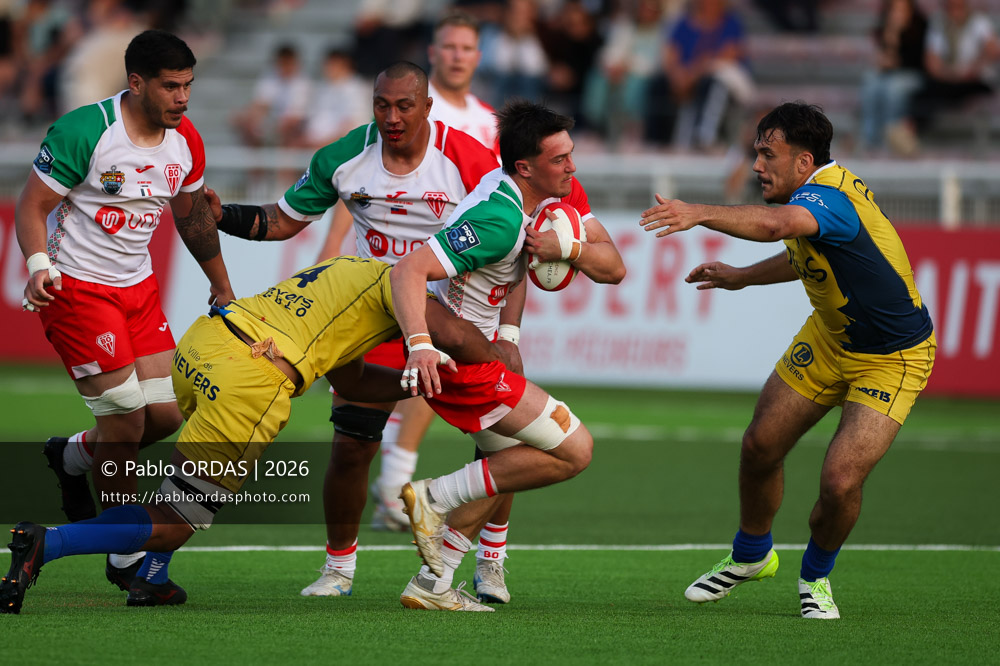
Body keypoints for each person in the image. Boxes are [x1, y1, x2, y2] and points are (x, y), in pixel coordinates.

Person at [0, 255, 505, 615]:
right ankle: (49, 543)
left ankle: (149, 579)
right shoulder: (410, 286)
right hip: (250, 380)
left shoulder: (354, 273)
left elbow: (351, 382)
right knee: (176, 519)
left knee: (185, 487)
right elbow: (460, 338)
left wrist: (419, 384)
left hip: (205, 344)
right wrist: (505, 380)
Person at [206, 61, 502, 599]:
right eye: (382, 105)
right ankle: (338, 569)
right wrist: (221, 215)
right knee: (350, 447)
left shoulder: (467, 158)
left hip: (453, 317)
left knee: (498, 439)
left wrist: (515, 320)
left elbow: (510, 228)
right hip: (372, 316)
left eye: (405, 106)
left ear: (427, 107)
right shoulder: (344, 156)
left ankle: (490, 558)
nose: (392, 117)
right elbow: (283, 219)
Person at [639, 102, 936, 619]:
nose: (757, 165)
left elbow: (779, 227)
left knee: (840, 483)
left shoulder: (831, 196)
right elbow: (803, 250)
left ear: (804, 162)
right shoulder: (814, 199)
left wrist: (700, 212)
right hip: (829, 339)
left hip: (892, 358)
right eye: (756, 153)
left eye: (767, 154)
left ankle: (816, 578)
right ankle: (751, 556)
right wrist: (743, 276)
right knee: (760, 445)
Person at [15, 29, 234, 606]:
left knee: (165, 414)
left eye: (188, 86)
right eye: (171, 86)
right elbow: (31, 204)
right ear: (135, 83)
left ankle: (70, 456)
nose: (183, 98)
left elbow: (190, 217)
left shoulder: (186, 142)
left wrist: (222, 285)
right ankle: (125, 556)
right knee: (127, 426)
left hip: (137, 291)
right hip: (76, 290)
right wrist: (38, 265)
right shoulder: (86, 130)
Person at [392, 99, 625, 612]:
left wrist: (512, 333)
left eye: (570, 155)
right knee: (574, 450)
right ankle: (432, 497)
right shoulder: (500, 217)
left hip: (482, 356)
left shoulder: (523, 201)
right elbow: (407, 271)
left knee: (506, 466)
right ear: (526, 167)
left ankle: (433, 584)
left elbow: (607, 267)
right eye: (561, 159)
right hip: (466, 363)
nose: (572, 167)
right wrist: (422, 347)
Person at [894, 0, 1000, 156]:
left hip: (975, 80)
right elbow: (931, 61)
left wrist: (972, 68)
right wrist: (950, 74)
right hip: (949, 80)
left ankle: (909, 131)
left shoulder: (978, 23)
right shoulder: (939, 24)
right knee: (924, 92)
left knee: (943, 91)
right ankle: (908, 132)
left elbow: (993, 50)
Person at [858, 0, 928, 154]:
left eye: (902, 9)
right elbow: (883, 58)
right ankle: (869, 138)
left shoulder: (921, 26)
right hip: (889, 75)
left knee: (893, 88)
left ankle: (891, 138)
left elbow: (917, 60)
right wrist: (892, 33)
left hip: (913, 74)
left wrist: (895, 60)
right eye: (894, 10)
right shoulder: (884, 28)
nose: (898, 14)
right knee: (871, 82)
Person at [230, 43, 311, 147]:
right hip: (274, 124)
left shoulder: (303, 83)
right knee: (247, 125)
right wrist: (247, 117)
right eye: (282, 63)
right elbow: (260, 104)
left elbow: (295, 117)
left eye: (287, 63)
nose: (284, 67)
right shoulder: (270, 78)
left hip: (294, 127)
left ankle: (281, 160)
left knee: (287, 131)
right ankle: (256, 160)